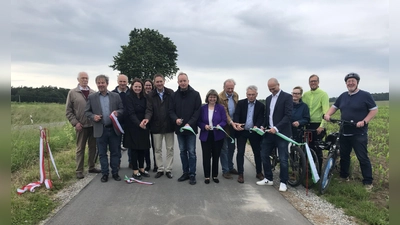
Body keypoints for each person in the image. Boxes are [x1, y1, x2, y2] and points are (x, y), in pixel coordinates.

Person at [324, 73, 377, 191]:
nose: (351, 83)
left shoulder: (365, 95)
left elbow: (373, 110)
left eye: (353, 81)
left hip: (359, 133)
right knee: (344, 155)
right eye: (348, 81)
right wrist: (328, 114)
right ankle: (344, 176)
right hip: (344, 131)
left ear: (357, 82)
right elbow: (335, 107)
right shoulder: (343, 96)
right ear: (346, 83)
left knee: (362, 157)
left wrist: (364, 121)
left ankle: (368, 182)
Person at [84, 74, 124, 182]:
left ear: (107, 83)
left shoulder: (115, 96)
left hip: (113, 129)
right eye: (99, 83)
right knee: (102, 153)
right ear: (96, 84)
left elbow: (122, 109)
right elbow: (87, 112)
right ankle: (105, 173)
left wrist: (117, 113)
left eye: (103, 83)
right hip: (100, 129)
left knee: (115, 152)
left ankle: (115, 173)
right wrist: (93, 116)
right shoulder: (92, 97)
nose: (101, 85)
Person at [257, 78, 292, 192]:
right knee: (264, 154)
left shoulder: (287, 97)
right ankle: (268, 178)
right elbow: (267, 115)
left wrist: (276, 128)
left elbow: (288, 116)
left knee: (283, 158)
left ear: (278, 85)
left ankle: (283, 182)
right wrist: (263, 126)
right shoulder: (268, 99)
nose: (272, 90)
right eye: (270, 88)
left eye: (274, 88)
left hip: (281, 133)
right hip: (269, 133)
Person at [66, 72, 101, 179]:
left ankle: (91, 166)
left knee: (93, 147)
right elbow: (68, 111)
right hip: (81, 126)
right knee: (80, 148)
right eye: (82, 78)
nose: (85, 80)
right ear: (78, 79)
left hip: (93, 125)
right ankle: (79, 170)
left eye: (86, 78)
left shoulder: (93, 93)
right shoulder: (73, 93)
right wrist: (75, 123)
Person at [169, 72, 202, 185]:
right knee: (183, 151)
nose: (183, 83)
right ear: (178, 82)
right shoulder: (174, 95)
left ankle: (192, 174)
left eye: (184, 80)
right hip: (179, 129)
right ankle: (185, 172)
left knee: (191, 152)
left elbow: (198, 111)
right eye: (181, 81)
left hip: (191, 129)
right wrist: (175, 119)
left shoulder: (196, 94)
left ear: (188, 81)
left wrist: (190, 123)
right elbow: (171, 111)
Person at [142, 74, 175, 179]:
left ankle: (168, 169)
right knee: (157, 149)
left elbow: (173, 109)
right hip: (156, 126)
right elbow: (149, 110)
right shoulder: (150, 95)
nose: (159, 83)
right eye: (157, 82)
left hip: (169, 125)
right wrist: (147, 118)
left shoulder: (171, 93)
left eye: (161, 81)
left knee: (170, 148)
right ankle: (160, 169)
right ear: (154, 83)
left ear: (164, 81)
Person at [232, 85, 265, 183]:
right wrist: (237, 124)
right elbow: (236, 114)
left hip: (254, 132)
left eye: (253, 95)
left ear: (256, 94)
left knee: (257, 152)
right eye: (249, 94)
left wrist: (257, 125)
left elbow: (260, 118)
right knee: (240, 152)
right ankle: (240, 174)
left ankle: (259, 172)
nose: (251, 96)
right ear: (246, 94)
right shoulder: (241, 103)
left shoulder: (260, 105)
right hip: (242, 131)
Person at [198, 89, 227, 184]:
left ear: (216, 98)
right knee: (206, 156)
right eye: (210, 97)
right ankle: (207, 176)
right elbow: (199, 121)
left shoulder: (221, 108)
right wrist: (204, 126)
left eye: (214, 97)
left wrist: (220, 125)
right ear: (207, 98)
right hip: (206, 135)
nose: (212, 98)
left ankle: (214, 175)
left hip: (217, 135)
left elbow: (224, 120)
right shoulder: (203, 108)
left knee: (216, 156)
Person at [124, 78, 151, 180]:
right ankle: (135, 170)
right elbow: (131, 113)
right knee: (134, 149)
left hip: (144, 125)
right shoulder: (129, 97)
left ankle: (142, 168)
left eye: (139, 86)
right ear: (132, 87)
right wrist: (138, 123)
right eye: (136, 86)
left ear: (142, 87)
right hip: (133, 126)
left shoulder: (145, 97)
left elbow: (148, 109)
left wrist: (145, 120)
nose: (138, 88)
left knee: (142, 148)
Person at [302, 74, 330, 171]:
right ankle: (308, 170)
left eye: (315, 81)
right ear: (309, 83)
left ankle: (318, 171)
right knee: (307, 148)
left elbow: (326, 112)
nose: (313, 83)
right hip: (306, 124)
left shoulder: (323, 94)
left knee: (316, 148)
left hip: (318, 125)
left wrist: (322, 126)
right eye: (311, 81)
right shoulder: (305, 95)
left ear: (318, 82)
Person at [218, 79, 239, 179]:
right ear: (224, 87)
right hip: (224, 126)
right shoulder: (219, 97)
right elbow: (224, 113)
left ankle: (230, 167)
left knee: (232, 147)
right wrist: (231, 122)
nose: (230, 90)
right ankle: (225, 170)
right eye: (228, 88)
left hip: (234, 126)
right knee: (224, 149)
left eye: (232, 88)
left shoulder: (236, 95)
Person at [112, 74, 131, 168]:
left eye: (124, 81)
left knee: (131, 143)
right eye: (121, 81)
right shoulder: (112, 93)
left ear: (127, 82)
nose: (123, 83)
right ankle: (117, 162)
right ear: (117, 82)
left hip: (129, 122)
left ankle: (131, 161)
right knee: (116, 144)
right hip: (117, 123)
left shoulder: (132, 92)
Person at [143, 79, 157, 172]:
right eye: (146, 85)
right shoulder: (142, 96)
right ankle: (148, 164)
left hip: (154, 124)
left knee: (155, 146)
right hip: (145, 124)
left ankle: (156, 164)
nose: (148, 87)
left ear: (152, 86)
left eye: (150, 85)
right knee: (146, 146)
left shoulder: (154, 96)